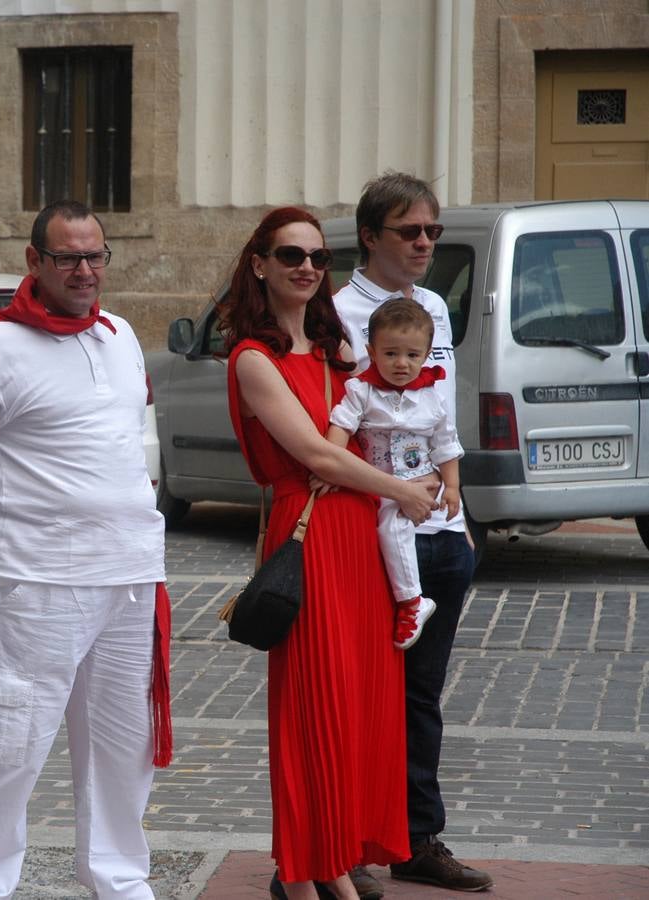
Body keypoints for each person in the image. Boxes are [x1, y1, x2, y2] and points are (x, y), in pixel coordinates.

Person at [0, 200, 167, 898]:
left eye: (95, 256)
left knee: (124, 753)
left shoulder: (120, 335)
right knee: (3, 751)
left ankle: (121, 883)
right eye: (68, 257)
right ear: (34, 262)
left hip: (127, 578)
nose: (85, 270)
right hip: (30, 585)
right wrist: (9, 533)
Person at [220, 206, 438, 900]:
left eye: (316, 256)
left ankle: (335, 861)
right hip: (308, 536)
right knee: (312, 711)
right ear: (259, 265)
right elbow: (314, 453)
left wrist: (426, 473)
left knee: (358, 710)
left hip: (361, 539)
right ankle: (304, 871)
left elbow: (392, 423)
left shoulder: (337, 351)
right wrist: (400, 492)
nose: (307, 267)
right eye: (289, 255)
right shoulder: (252, 359)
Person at [333, 171, 494, 893]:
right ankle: (350, 841)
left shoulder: (431, 305)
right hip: (374, 531)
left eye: (432, 229)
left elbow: (441, 418)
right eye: (410, 231)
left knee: (421, 694)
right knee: (364, 692)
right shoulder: (336, 312)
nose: (425, 241)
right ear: (371, 237)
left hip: (443, 529)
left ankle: (416, 837)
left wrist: (456, 511)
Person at [326, 297, 463, 651]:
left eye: (412, 355)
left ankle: (411, 602)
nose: (401, 364)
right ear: (371, 351)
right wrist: (330, 463)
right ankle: (406, 601)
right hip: (370, 481)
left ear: (427, 353)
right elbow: (340, 425)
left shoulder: (433, 397)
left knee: (394, 527)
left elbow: (446, 444)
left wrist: (452, 487)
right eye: (390, 354)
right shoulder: (362, 391)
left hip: (412, 487)